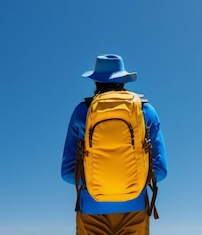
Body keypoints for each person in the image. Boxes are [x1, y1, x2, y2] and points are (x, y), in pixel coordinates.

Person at [62, 54, 168, 235]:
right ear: (123, 81)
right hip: (135, 209)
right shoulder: (146, 111)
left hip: (91, 208)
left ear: (96, 82)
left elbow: (68, 173)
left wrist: (96, 186)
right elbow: (160, 171)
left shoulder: (82, 112)